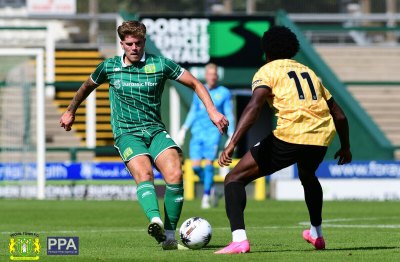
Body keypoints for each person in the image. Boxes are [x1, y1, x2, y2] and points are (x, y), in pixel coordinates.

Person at [59, 20, 228, 250]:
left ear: (144, 42)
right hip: (127, 134)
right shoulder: (109, 67)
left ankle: (169, 236)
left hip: (156, 130)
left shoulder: (160, 65)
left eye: (138, 43)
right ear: (122, 44)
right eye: (130, 44)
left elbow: (195, 83)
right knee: (145, 173)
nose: (134, 48)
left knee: (175, 173)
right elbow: (86, 87)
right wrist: (70, 111)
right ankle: (155, 219)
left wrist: (213, 111)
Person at [215, 26, 352, 254]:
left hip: (290, 136)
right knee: (308, 176)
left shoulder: (267, 71)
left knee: (234, 179)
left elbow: (254, 106)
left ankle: (239, 240)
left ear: (266, 50)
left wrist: (232, 143)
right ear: (292, 49)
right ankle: (316, 233)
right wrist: (345, 147)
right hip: (320, 137)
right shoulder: (309, 72)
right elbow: (339, 115)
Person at [177, 63, 235, 209]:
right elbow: (193, 111)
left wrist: (231, 132)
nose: (212, 77)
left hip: (213, 133)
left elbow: (228, 113)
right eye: (209, 74)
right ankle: (212, 188)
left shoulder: (224, 93)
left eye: (214, 74)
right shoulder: (199, 90)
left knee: (209, 165)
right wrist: (184, 128)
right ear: (206, 75)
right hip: (197, 133)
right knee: (195, 168)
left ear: (217, 76)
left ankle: (206, 196)